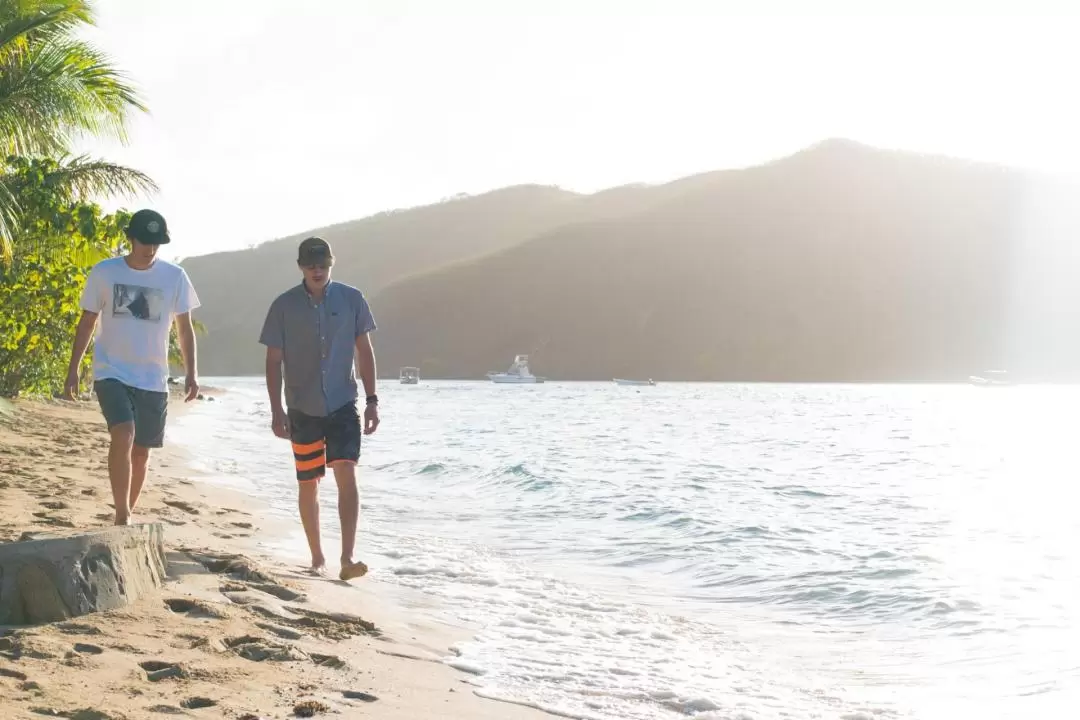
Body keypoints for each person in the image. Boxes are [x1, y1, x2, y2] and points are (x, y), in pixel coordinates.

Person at [64, 209, 201, 525]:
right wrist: (73, 368)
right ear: (130, 238)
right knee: (123, 434)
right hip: (111, 370)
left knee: (142, 451)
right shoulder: (104, 273)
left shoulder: (175, 277)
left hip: (153, 377)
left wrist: (192, 373)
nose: (150, 249)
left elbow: (184, 329)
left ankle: (126, 511)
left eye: (156, 243)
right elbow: (88, 322)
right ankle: (123, 515)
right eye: (144, 241)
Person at [259, 236, 379, 582]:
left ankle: (347, 556)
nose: (317, 269)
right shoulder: (283, 306)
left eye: (323, 264)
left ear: (331, 264)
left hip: (343, 402)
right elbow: (273, 361)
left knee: (346, 470)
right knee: (309, 481)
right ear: (300, 266)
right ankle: (316, 556)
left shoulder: (352, 298)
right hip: (302, 405)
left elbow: (365, 352)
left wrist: (372, 400)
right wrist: (276, 409)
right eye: (311, 264)